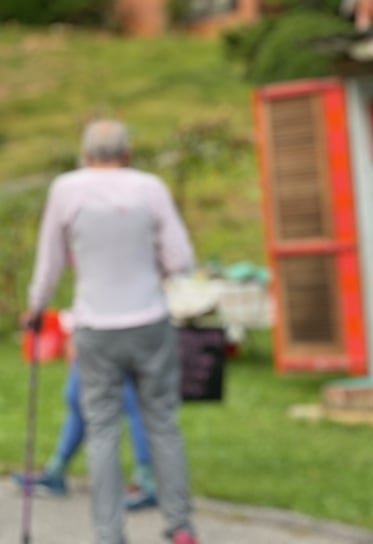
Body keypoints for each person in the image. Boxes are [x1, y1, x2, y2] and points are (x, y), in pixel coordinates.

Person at [24, 118, 199, 544]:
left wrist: (35, 308)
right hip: (149, 323)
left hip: (96, 328)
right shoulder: (150, 187)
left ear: (85, 156)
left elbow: (49, 262)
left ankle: (109, 534)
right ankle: (179, 526)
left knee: (102, 428)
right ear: (128, 154)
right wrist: (149, 268)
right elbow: (181, 260)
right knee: (163, 423)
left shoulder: (67, 189)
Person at [13, 351, 158, 510]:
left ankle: (146, 481)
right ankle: (56, 471)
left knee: (132, 400)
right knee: (77, 395)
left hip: (124, 334)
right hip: (93, 335)